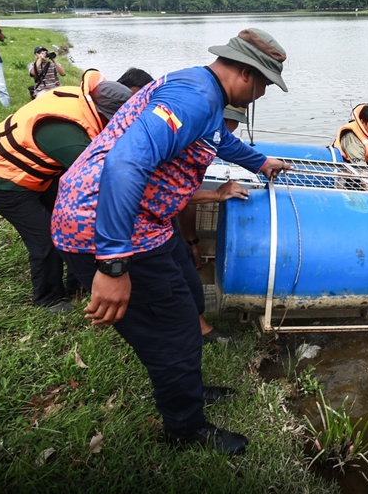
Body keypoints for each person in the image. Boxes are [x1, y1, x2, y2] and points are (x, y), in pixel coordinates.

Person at [51, 28, 291, 454]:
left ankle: (189, 389)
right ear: (244, 72)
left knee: (189, 300)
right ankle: (185, 429)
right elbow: (125, 162)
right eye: (265, 83)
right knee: (172, 336)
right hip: (110, 229)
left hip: (151, 226)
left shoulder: (205, 92)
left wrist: (261, 161)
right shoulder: (193, 99)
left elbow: (218, 139)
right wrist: (112, 265)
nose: (264, 93)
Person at [0, 70, 133, 313]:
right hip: (0, 179)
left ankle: (76, 279)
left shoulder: (81, 102)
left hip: (38, 174)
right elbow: (100, 182)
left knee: (71, 219)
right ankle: (48, 298)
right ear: (102, 113)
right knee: (45, 237)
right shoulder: (66, 136)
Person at [178, 105, 251, 344]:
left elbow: (186, 199)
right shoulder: (189, 144)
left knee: (185, 271)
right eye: (232, 122)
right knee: (174, 278)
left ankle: (199, 327)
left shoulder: (198, 138)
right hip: (140, 224)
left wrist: (193, 243)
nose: (234, 129)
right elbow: (176, 194)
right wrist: (217, 194)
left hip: (158, 222)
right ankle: (193, 331)